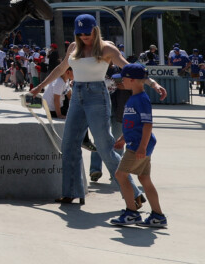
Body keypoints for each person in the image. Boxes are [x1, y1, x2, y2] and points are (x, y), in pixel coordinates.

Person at [31, 14, 165, 206]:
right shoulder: (73, 48)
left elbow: (129, 68)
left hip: (97, 96)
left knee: (105, 146)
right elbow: (61, 69)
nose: (84, 36)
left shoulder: (106, 48)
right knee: (68, 144)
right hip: (77, 95)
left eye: (87, 32)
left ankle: (133, 193)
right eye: (80, 33)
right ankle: (70, 192)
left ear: (95, 29)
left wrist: (153, 83)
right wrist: (39, 87)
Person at [107, 64, 167, 228]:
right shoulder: (133, 98)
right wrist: (122, 138)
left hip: (138, 146)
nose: (121, 83)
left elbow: (148, 125)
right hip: (135, 143)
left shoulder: (141, 99)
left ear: (133, 80)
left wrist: (141, 147)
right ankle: (158, 216)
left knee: (120, 175)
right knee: (144, 178)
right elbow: (132, 125)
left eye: (123, 79)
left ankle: (132, 213)